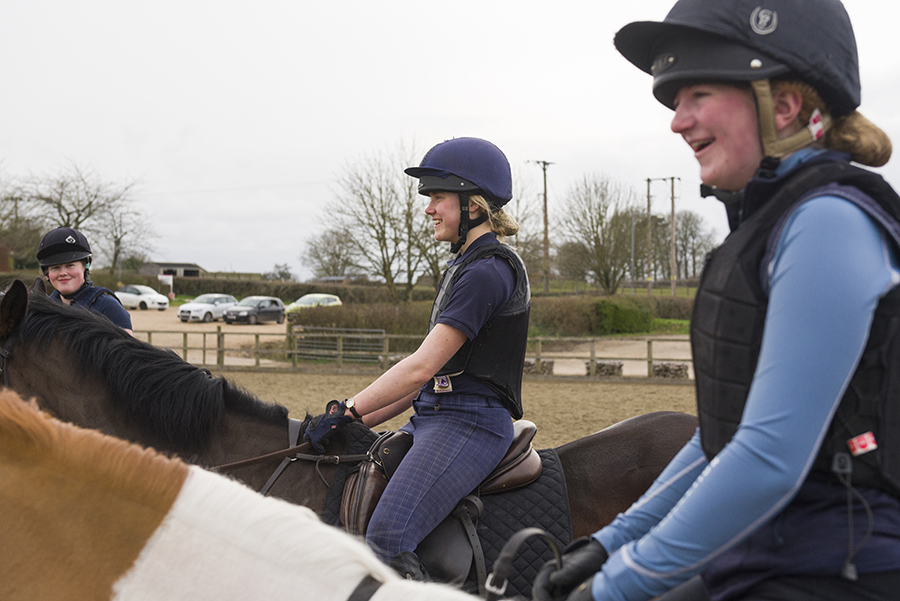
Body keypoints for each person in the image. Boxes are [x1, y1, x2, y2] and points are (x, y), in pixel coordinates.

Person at [532, 1, 900, 600]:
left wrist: (618, 584)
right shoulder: (768, 226)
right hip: (767, 555)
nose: (677, 121)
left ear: (784, 106)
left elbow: (768, 457)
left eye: (697, 94)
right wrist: (609, 543)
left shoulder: (827, 221)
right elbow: (721, 438)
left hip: (834, 568)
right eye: (674, 101)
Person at [304, 137, 531, 577]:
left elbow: (421, 366)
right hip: (434, 414)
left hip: (470, 424)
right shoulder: (463, 267)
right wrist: (351, 422)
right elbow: (426, 384)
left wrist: (351, 406)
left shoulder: (488, 271)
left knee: (387, 537)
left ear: (474, 205)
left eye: (438, 198)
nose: (428, 208)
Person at [36, 227, 133, 334]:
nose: (63, 273)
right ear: (47, 274)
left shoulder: (108, 307)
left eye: (70, 265)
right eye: (55, 267)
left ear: (86, 266)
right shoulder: (44, 312)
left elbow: (127, 349)